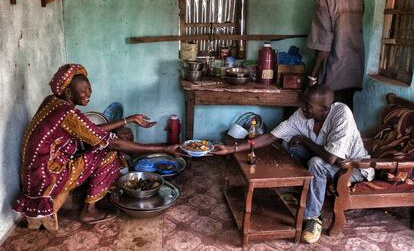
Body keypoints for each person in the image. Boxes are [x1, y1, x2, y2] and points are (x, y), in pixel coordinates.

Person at [14, 63, 180, 225]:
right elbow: (113, 143)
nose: (89, 93)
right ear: (69, 92)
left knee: (102, 144)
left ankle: (92, 200)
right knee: (110, 153)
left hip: (35, 175)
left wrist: (128, 119)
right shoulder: (67, 113)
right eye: (83, 90)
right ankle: (89, 211)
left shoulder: (52, 102)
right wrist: (164, 148)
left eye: (89, 87)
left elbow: (90, 129)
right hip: (47, 179)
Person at [212, 85, 374, 244]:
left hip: (353, 169)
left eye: (308, 106)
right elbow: (271, 137)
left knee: (316, 162)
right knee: (291, 146)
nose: (303, 108)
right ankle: (300, 190)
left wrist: (304, 139)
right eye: (303, 103)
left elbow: (331, 158)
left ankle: (313, 217)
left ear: (325, 109)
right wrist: (231, 148)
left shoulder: (341, 113)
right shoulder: (303, 114)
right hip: (328, 159)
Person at [307, 0, 365, 111]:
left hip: (334, 72)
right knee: (346, 114)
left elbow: (323, 48)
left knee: (329, 117)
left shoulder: (323, 0)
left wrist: (312, 76)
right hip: (354, 70)